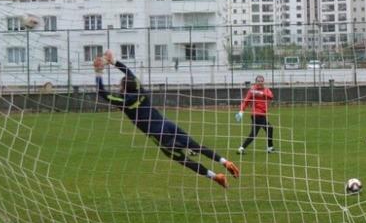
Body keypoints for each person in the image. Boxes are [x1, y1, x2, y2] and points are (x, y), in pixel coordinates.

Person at [93, 51, 239, 188]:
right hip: (167, 124)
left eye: (120, 85)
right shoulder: (140, 90)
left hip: (158, 135)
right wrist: (114, 61)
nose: (118, 86)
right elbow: (129, 72)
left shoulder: (124, 101)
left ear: (124, 89)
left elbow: (102, 93)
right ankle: (225, 162)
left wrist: (98, 72)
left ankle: (215, 177)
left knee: (183, 160)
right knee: (196, 146)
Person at [236, 75, 275, 154]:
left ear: (263, 82)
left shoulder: (266, 89)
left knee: (259, 132)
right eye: (258, 81)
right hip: (257, 114)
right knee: (267, 129)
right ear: (256, 82)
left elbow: (271, 96)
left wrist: (262, 93)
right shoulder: (252, 90)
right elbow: (246, 101)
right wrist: (241, 111)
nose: (260, 82)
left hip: (262, 114)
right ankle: (269, 148)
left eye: (261, 81)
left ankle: (242, 148)